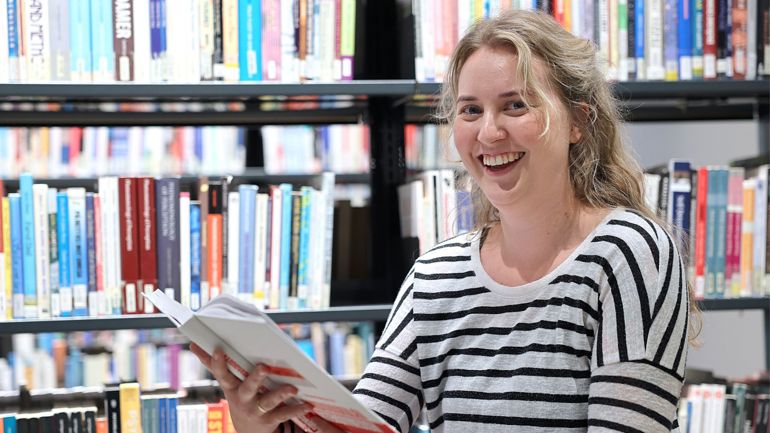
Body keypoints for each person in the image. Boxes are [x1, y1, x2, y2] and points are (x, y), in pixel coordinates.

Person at [192, 9, 695, 433]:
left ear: (578, 122)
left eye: (515, 105)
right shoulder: (437, 275)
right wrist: (261, 421)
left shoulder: (628, 253)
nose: (489, 132)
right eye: (470, 110)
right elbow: (364, 425)